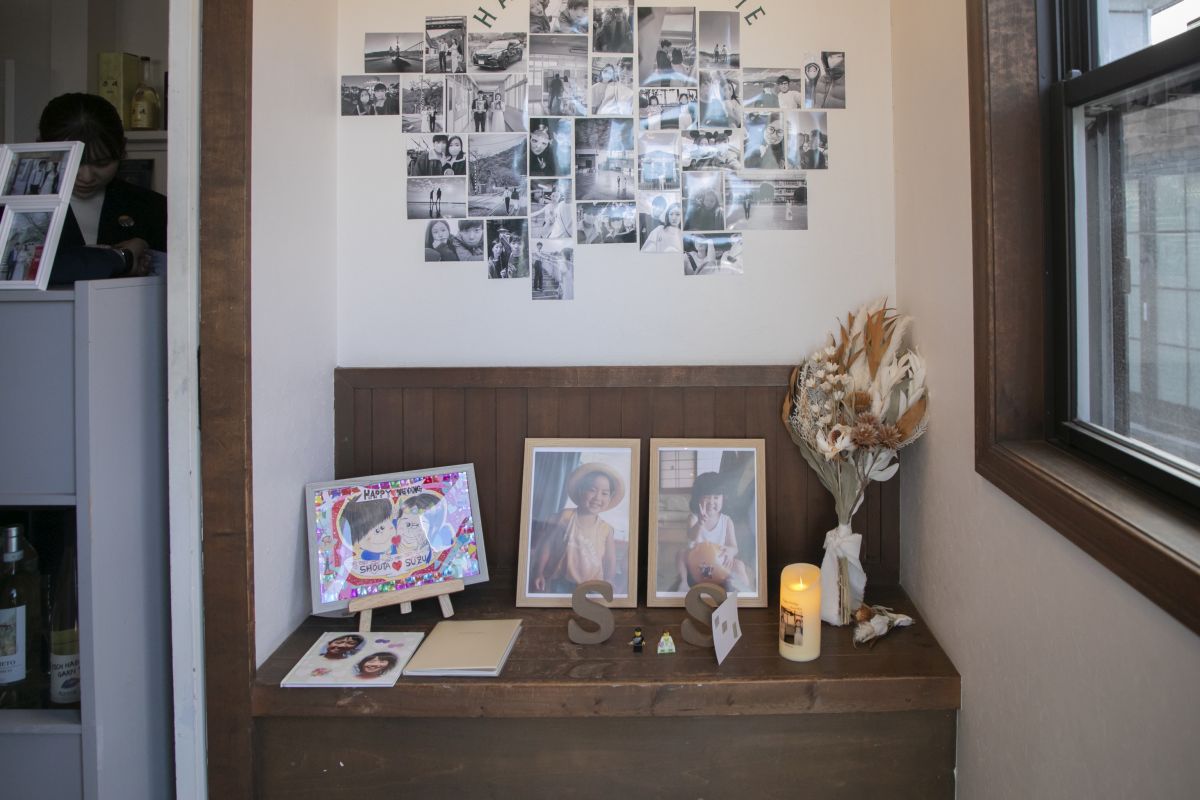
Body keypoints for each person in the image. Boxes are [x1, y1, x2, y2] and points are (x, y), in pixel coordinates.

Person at [42, 93, 166, 285]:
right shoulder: (16, 206)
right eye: (73, 162)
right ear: (42, 147)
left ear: (122, 149)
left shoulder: (152, 208)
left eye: (102, 163)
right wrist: (122, 258)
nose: (86, 176)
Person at [531, 463, 624, 593]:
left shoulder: (606, 529)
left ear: (609, 498)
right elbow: (548, 545)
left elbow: (609, 559)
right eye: (592, 490)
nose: (598, 497)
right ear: (581, 491)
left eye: (604, 493)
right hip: (561, 581)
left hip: (593, 585)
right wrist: (539, 572)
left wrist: (608, 579)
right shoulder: (565, 517)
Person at [677, 472, 751, 591]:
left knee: (739, 565)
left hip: (718, 564)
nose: (711, 502)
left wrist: (730, 552)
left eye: (716, 497)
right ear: (698, 498)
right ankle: (683, 582)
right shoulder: (693, 518)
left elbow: (734, 547)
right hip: (697, 564)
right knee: (681, 554)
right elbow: (691, 537)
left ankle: (745, 592)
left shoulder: (727, 521)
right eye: (707, 497)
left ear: (723, 499)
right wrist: (700, 523)